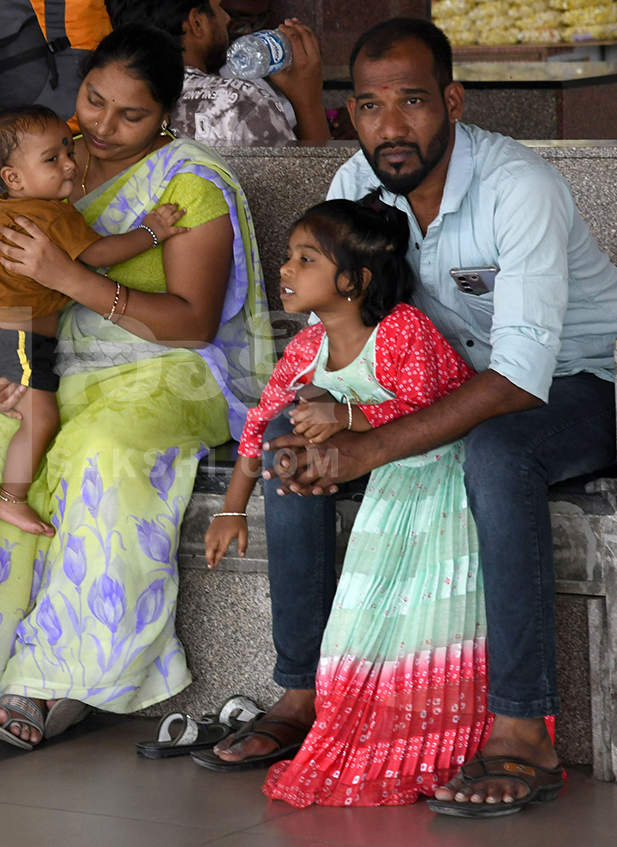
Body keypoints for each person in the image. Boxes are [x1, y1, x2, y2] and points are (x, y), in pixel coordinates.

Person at [215, 18, 617, 818]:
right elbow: (332, 329)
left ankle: (525, 728)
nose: (391, 126)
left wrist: (365, 445)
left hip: (584, 383)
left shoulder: (518, 186)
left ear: (451, 99)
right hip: (438, 387)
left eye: (412, 102)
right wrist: (327, 405)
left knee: (496, 453)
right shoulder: (355, 185)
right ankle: (306, 691)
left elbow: (520, 377)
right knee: (285, 438)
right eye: (371, 106)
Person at [0, 25, 273, 747]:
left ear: (166, 113)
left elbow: (192, 324)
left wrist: (74, 279)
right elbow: (0, 283)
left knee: (98, 449)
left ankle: (60, 680)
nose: (102, 128)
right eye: (94, 101)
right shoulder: (45, 159)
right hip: (53, 363)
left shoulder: (189, 186)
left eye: (130, 114)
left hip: (170, 370)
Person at [204, 198, 493, 806]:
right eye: (287, 257)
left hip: (434, 467)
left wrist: (346, 413)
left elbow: (430, 408)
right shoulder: (307, 344)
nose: (286, 269)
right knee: (285, 438)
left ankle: (380, 703)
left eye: (305, 259)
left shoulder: (402, 330)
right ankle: (302, 685)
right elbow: (257, 426)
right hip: (369, 470)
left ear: (354, 281)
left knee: (301, 432)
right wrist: (231, 509)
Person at [0, 104, 186, 536]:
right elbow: (98, 256)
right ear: (14, 178)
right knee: (41, 418)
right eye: (52, 159)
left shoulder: (3, 210)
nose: (68, 163)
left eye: (67, 149)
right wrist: (152, 232)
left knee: (7, 406)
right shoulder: (52, 216)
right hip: (19, 337)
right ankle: (12, 498)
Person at [106, 0, 329, 147]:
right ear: (196, 22)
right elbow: (305, 188)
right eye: (218, 7)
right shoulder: (238, 102)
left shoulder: (108, 98)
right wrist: (308, 103)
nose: (226, 19)